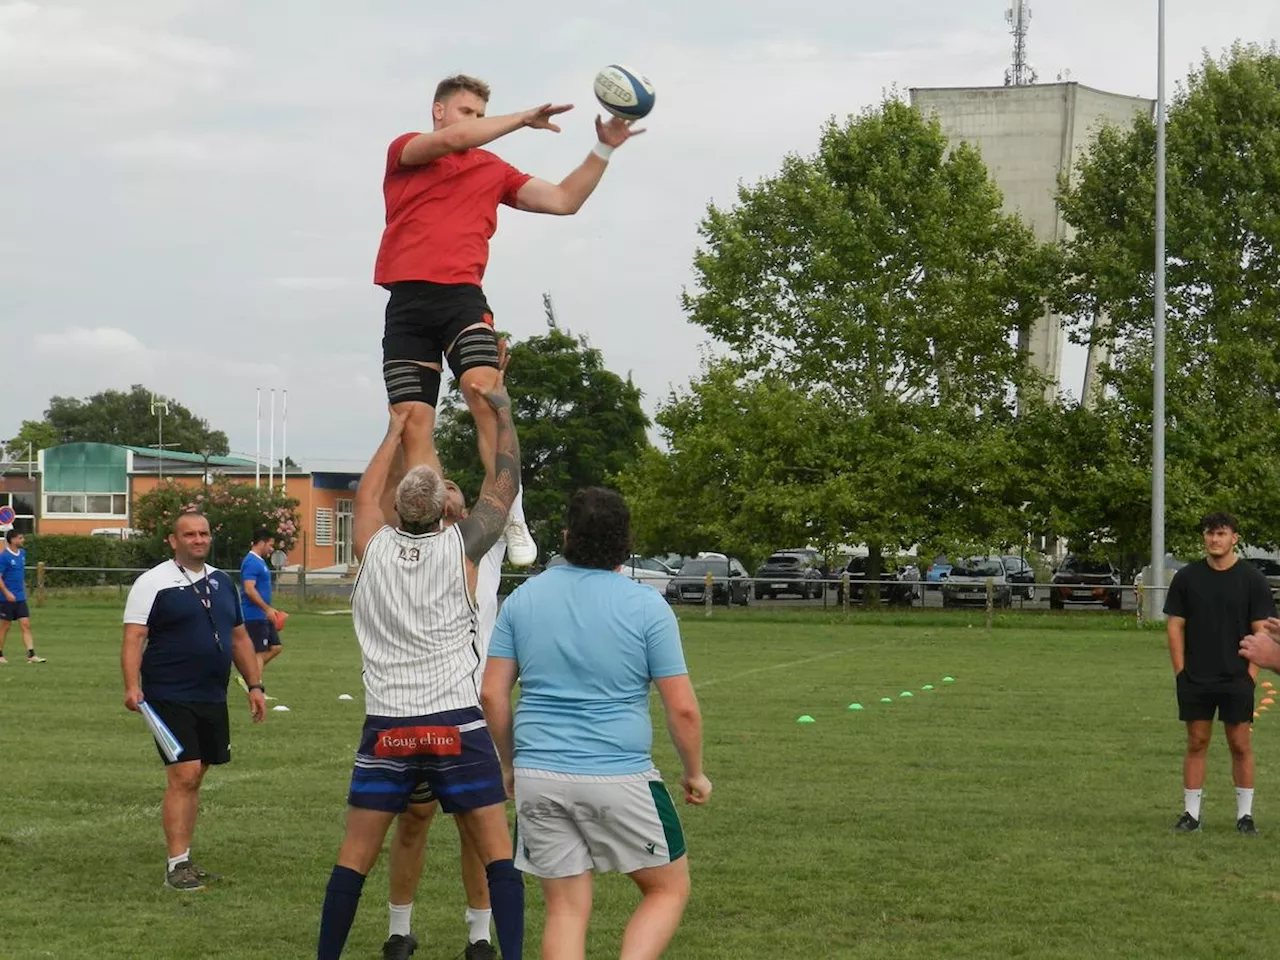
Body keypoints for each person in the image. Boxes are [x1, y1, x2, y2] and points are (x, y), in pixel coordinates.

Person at [374, 73, 641, 565]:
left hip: (461, 298)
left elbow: (564, 200)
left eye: (480, 114)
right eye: (467, 112)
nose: (473, 123)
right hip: (407, 305)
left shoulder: (492, 169)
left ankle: (509, 512)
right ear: (439, 112)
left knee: (485, 393)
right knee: (413, 424)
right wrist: (521, 118)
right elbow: (454, 141)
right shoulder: (407, 151)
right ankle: (427, 535)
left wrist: (602, 150)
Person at [317, 368, 524, 960]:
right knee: (497, 852)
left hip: (388, 728)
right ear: (443, 512)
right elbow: (503, 485)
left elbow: (364, 495)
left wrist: (393, 433)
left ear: (398, 511)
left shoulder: (371, 546)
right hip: (455, 724)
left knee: (354, 858)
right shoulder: (463, 546)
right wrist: (501, 413)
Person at [482, 487, 712, 960]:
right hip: (620, 775)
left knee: (566, 910)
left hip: (538, 776)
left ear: (566, 537)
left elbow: (491, 693)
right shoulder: (648, 606)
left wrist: (509, 764)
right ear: (626, 546)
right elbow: (683, 707)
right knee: (667, 889)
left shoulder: (524, 599)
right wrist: (694, 773)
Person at [379, 479, 508, 960]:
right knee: (413, 819)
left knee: (477, 827)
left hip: (474, 709)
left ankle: (479, 937)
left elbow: (499, 477)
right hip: (417, 708)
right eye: (441, 485)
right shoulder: (405, 553)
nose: (447, 486)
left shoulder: (482, 548)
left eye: (455, 484)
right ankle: (398, 931)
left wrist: (494, 411)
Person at [121, 511, 267, 891]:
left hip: (211, 694)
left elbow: (238, 638)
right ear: (174, 541)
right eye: (189, 534)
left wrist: (255, 685)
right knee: (184, 773)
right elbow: (134, 638)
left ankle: (183, 858)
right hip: (168, 693)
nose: (198, 539)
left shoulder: (221, 582)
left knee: (197, 774)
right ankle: (176, 866)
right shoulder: (152, 583)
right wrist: (131, 686)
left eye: (203, 533)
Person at [1166, 510, 1276, 835]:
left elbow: (1262, 631)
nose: (1215, 539)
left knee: (1240, 744)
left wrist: (1251, 674)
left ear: (1234, 539)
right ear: (1204, 537)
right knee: (1196, 742)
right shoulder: (1186, 578)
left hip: (1236, 678)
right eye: (1210, 533)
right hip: (1196, 677)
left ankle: (1245, 816)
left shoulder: (1252, 580)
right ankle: (1191, 815)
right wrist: (1181, 672)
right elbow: (1174, 626)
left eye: (1222, 533)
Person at [240, 527, 284, 675]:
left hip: (263, 615)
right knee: (258, 652)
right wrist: (266, 609)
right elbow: (249, 589)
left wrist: (270, 610)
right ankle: (256, 688)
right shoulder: (252, 562)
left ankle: (248, 673)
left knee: (276, 647)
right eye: (270, 545)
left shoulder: (259, 562)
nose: (271, 549)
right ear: (261, 543)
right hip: (254, 615)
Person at [0, 529, 44, 664]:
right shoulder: (4, 557)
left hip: (20, 598)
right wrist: (7, 593)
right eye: (20, 538)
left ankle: (31, 654)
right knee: (5, 626)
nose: (23, 540)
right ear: (12, 540)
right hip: (5, 598)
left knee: (26, 624)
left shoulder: (22, 554)